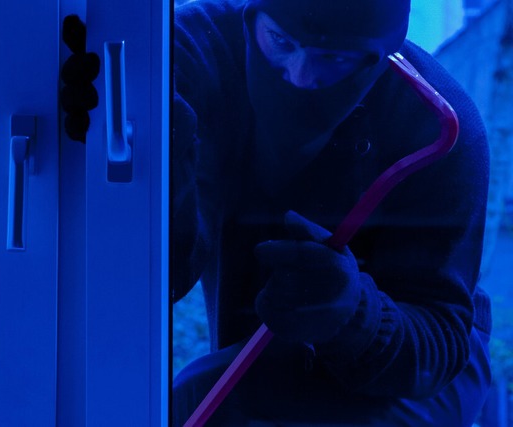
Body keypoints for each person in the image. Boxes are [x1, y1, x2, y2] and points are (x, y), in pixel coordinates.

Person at [170, 0, 492, 426]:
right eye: (280, 41)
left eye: (334, 58)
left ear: (379, 55)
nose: (299, 77)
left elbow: (440, 334)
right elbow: (158, 276)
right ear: (253, 17)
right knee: (189, 399)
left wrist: (356, 313)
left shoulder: (439, 129)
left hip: (420, 363)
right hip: (259, 341)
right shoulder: (183, 56)